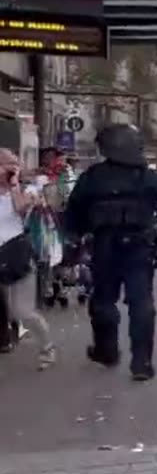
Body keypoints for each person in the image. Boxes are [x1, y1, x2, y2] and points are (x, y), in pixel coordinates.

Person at [64, 124, 157, 381]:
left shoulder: (93, 176)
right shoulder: (148, 177)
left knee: (104, 301)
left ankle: (106, 351)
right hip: (139, 245)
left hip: (105, 245)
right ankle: (141, 362)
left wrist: (78, 233)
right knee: (141, 303)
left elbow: (74, 210)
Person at [0, 149, 54, 367]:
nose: (12, 168)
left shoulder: (27, 190)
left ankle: (47, 347)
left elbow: (22, 210)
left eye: (14, 164)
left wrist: (13, 184)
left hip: (15, 254)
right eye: (6, 164)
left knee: (22, 311)